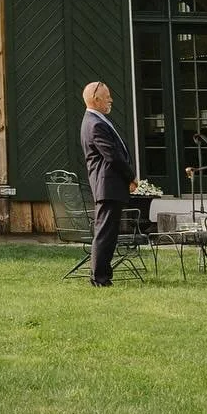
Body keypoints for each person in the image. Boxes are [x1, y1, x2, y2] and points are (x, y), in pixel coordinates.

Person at [79, 82, 136, 286]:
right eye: (108, 96)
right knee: (105, 234)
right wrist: (131, 177)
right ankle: (100, 278)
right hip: (108, 186)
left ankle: (102, 275)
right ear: (96, 100)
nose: (111, 99)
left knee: (108, 233)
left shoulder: (97, 120)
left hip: (110, 185)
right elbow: (112, 156)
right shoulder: (95, 124)